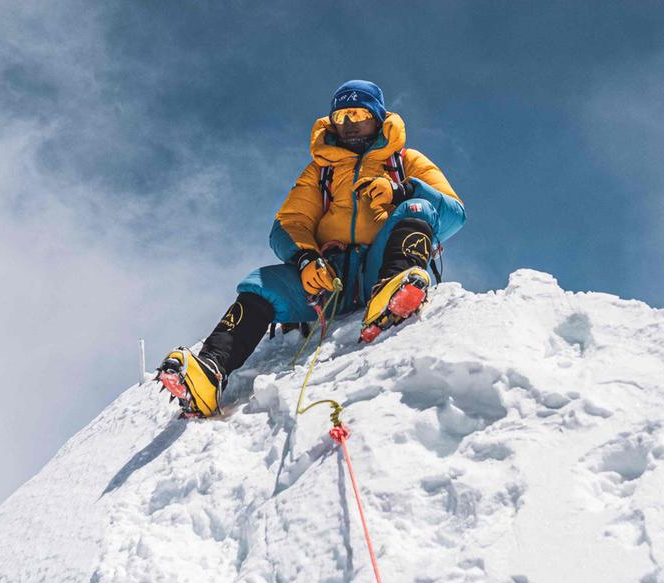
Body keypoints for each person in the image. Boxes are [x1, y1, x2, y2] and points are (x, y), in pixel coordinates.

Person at [158, 79, 467, 417]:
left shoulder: (406, 161)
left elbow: (453, 215)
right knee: (261, 284)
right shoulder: (321, 171)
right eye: (341, 117)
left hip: (382, 267)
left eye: (358, 114)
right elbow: (288, 224)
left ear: (378, 117)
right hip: (326, 281)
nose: (349, 124)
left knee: (418, 209)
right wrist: (305, 257)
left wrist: (403, 191)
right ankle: (209, 371)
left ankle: (394, 291)